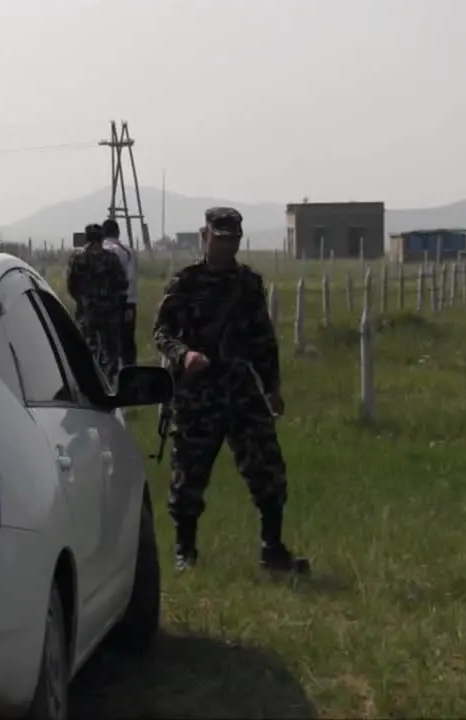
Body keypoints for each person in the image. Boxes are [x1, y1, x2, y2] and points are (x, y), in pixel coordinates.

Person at [152, 207, 309, 574]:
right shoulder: (186, 283)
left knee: (268, 469)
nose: (226, 247)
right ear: (205, 236)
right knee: (189, 475)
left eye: (233, 240)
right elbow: (162, 333)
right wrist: (184, 354)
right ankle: (184, 552)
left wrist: (271, 388)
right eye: (220, 239)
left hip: (240, 391)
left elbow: (262, 341)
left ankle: (273, 551)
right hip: (198, 394)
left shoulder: (248, 285)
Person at [66, 223, 128, 381]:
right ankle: (109, 380)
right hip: (109, 311)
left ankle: (88, 379)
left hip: (86, 310)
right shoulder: (111, 259)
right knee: (111, 349)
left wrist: (82, 300)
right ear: (101, 238)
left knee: (86, 347)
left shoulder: (77, 258)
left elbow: (71, 285)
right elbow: (122, 284)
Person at [100, 219, 139, 367]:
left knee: (106, 343)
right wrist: (130, 305)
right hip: (126, 303)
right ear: (118, 232)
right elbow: (131, 279)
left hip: (104, 305)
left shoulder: (101, 251)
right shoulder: (127, 251)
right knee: (127, 341)